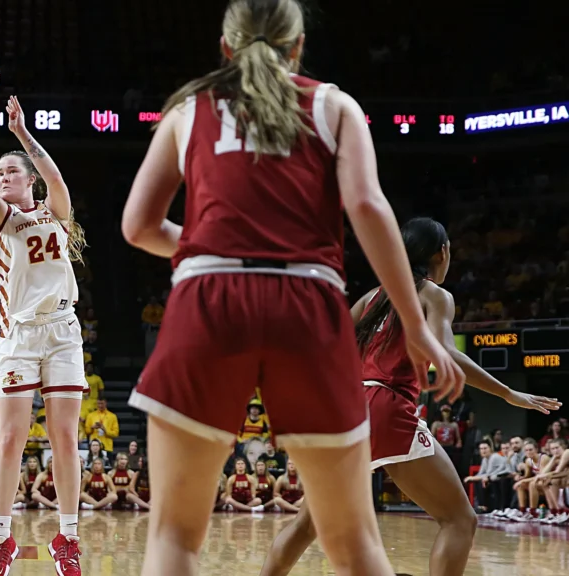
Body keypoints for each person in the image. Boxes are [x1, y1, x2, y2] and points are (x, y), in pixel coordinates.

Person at [120, 1, 466, 573]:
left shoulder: (189, 108)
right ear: (299, 46)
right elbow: (367, 207)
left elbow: (137, 227)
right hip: (306, 304)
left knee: (175, 537)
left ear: (226, 49)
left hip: (208, 302)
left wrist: (213, 249)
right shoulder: (334, 105)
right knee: (354, 541)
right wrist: (413, 322)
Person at [259, 218, 560, 575]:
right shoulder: (434, 294)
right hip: (386, 408)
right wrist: (509, 393)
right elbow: (445, 354)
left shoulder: (372, 296)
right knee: (459, 519)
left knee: (307, 523)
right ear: (442, 252)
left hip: (346, 411)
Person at [0, 92, 88, 576]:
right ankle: (1, 540)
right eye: (1, 175)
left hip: (62, 331)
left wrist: (22, 134)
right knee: (11, 438)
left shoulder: (55, 212)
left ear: (28, 179)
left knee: (65, 439)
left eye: (11, 173)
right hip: (18, 336)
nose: (3, 178)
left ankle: (67, 539)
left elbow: (55, 177)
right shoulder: (0, 222)